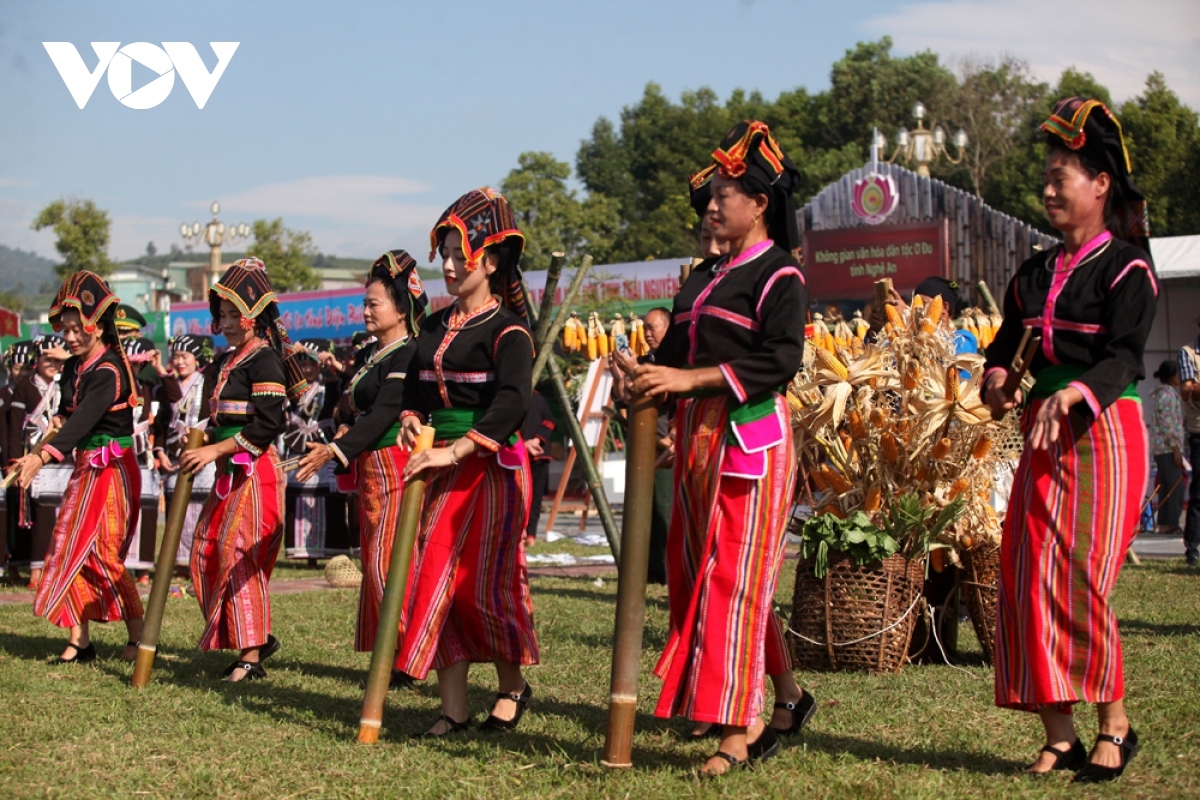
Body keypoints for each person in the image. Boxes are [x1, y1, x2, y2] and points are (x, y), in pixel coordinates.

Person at [983, 97, 1156, 782]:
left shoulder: (1127, 270)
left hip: (1105, 433)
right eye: (1047, 178)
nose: (1049, 190)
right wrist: (998, 379)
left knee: (1079, 579)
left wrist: (1075, 392)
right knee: (1024, 576)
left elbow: (1125, 357)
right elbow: (1002, 347)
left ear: (1101, 184)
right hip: (1039, 440)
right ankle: (1061, 735)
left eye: (1062, 177)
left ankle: (1114, 722)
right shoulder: (1031, 273)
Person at [633, 121, 810, 775]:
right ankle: (788, 696)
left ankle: (740, 730)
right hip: (696, 438)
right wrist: (649, 372)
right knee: (700, 576)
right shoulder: (704, 275)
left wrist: (688, 379)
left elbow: (781, 360)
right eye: (710, 195)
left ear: (760, 203)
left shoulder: (780, 276)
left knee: (733, 578)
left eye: (724, 195)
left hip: (749, 437)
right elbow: (679, 353)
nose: (710, 206)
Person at [397, 187, 538, 737]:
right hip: (437, 466)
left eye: (462, 255)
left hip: (489, 467)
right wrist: (411, 417)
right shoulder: (433, 326)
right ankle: (452, 710)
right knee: (435, 579)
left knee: (484, 584)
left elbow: (512, 402)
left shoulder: (509, 332)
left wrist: (456, 449)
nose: (450, 266)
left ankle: (511, 688)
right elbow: (414, 386)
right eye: (447, 255)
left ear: (493, 260)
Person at [295, 249, 427, 688]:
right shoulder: (375, 353)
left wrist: (335, 449)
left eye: (374, 304)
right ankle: (391, 653)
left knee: (390, 562)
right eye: (365, 303)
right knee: (374, 559)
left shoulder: (409, 352)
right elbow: (358, 407)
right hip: (371, 466)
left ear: (400, 308)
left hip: (396, 463)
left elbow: (388, 410)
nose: (365, 310)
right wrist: (344, 427)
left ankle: (409, 656)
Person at [179, 257, 308, 682]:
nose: (228, 321)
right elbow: (211, 417)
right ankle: (255, 636)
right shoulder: (222, 362)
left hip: (256, 472)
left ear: (254, 316)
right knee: (204, 554)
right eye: (223, 313)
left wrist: (214, 450)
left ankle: (250, 657)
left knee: (239, 555)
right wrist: (197, 438)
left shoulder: (264, 360)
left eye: (236, 313)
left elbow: (267, 424)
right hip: (226, 473)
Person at [8, 271, 146, 663]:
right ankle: (79, 641)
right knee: (68, 545)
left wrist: (42, 455)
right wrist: (52, 427)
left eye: (75, 329)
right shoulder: (75, 368)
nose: (68, 338)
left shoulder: (109, 371)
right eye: (65, 329)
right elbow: (69, 415)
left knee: (103, 553)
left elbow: (84, 419)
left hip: (112, 470)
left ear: (98, 327)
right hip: (85, 468)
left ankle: (138, 638)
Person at [6, 336, 65, 590]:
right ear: (37, 360)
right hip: (34, 456)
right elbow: (14, 426)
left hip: (64, 456)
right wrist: (13, 458)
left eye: (56, 358)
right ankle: (36, 572)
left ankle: (59, 567)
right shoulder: (26, 386)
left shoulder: (69, 384)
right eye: (46, 358)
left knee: (63, 514)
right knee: (40, 514)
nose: (51, 363)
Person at [284, 338, 350, 561]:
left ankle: (329, 550)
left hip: (322, 445)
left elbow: (351, 380)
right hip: (297, 447)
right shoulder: (291, 387)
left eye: (312, 364)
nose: (307, 369)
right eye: (302, 364)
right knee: (299, 497)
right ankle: (303, 552)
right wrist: (290, 355)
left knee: (327, 498)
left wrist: (335, 363)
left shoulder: (331, 385)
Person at [152, 334, 215, 568]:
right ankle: (177, 562)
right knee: (177, 507)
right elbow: (162, 421)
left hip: (203, 453)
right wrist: (159, 451)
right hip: (175, 455)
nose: (179, 361)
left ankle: (201, 562)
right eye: (176, 356)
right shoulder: (167, 386)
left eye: (184, 356)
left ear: (197, 359)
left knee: (201, 507)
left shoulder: (207, 382)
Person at [2, 340, 37, 584]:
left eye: (27, 368)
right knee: (10, 515)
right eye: (18, 368)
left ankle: (26, 563)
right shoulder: (4, 395)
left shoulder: (35, 391)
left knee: (30, 515)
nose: (23, 373)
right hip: (9, 459)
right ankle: (10, 566)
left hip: (31, 458)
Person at [1149, 360, 1185, 536]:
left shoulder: (1162, 395)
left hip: (1161, 449)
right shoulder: (1167, 396)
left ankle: (1165, 524)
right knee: (1175, 487)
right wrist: (1176, 448)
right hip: (1167, 449)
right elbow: (1168, 424)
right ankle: (1170, 523)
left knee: (1166, 487)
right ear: (1172, 376)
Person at [1175, 321, 1200, 565]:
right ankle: (1192, 549)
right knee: (1199, 493)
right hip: (1198, 431)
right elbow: (1187, 390)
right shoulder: (1188, 353)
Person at [521, 388, 555, 548]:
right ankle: (523, 532)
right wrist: (523, 444)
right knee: (520, 495)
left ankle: (531, 534)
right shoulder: (511, 394)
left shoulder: (537, 396)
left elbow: (549, 420)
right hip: (518, 452)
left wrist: (535, 440)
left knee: (535, 496)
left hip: (538, 454)